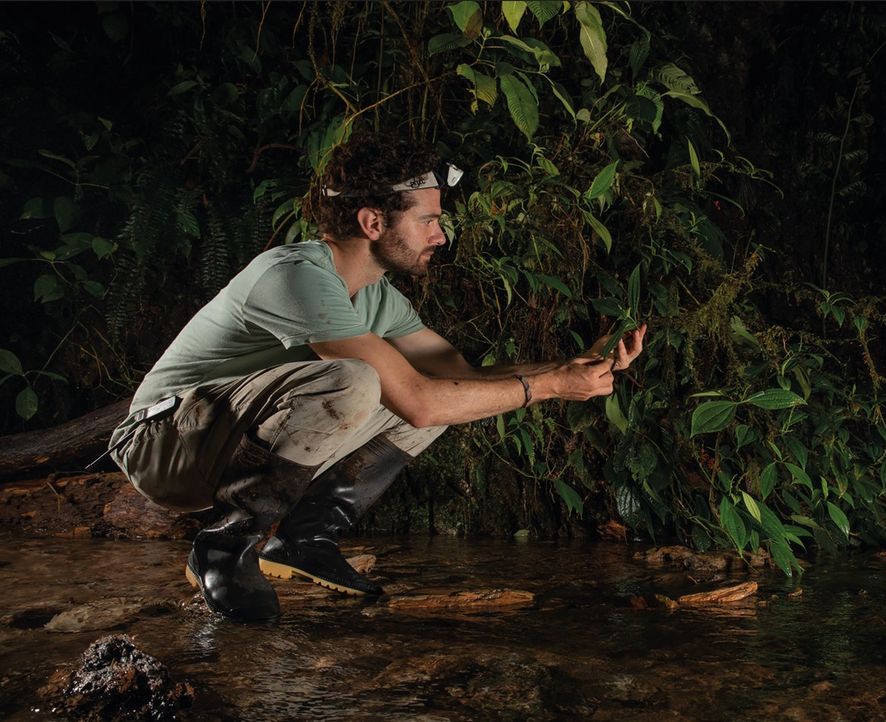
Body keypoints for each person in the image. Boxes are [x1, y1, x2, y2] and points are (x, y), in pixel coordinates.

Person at [108, 130, 648, 622]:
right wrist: (550, 389)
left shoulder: (377, 299)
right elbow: (418, 401)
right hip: (161, 444)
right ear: (373, 223)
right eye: (428, 220)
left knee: (449, 392)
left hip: (220, 444)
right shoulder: (294, 275)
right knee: (362, 381)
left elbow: (459, 375)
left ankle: (303, 540)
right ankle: (227, 543)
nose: (440, 236)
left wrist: (566, 367)